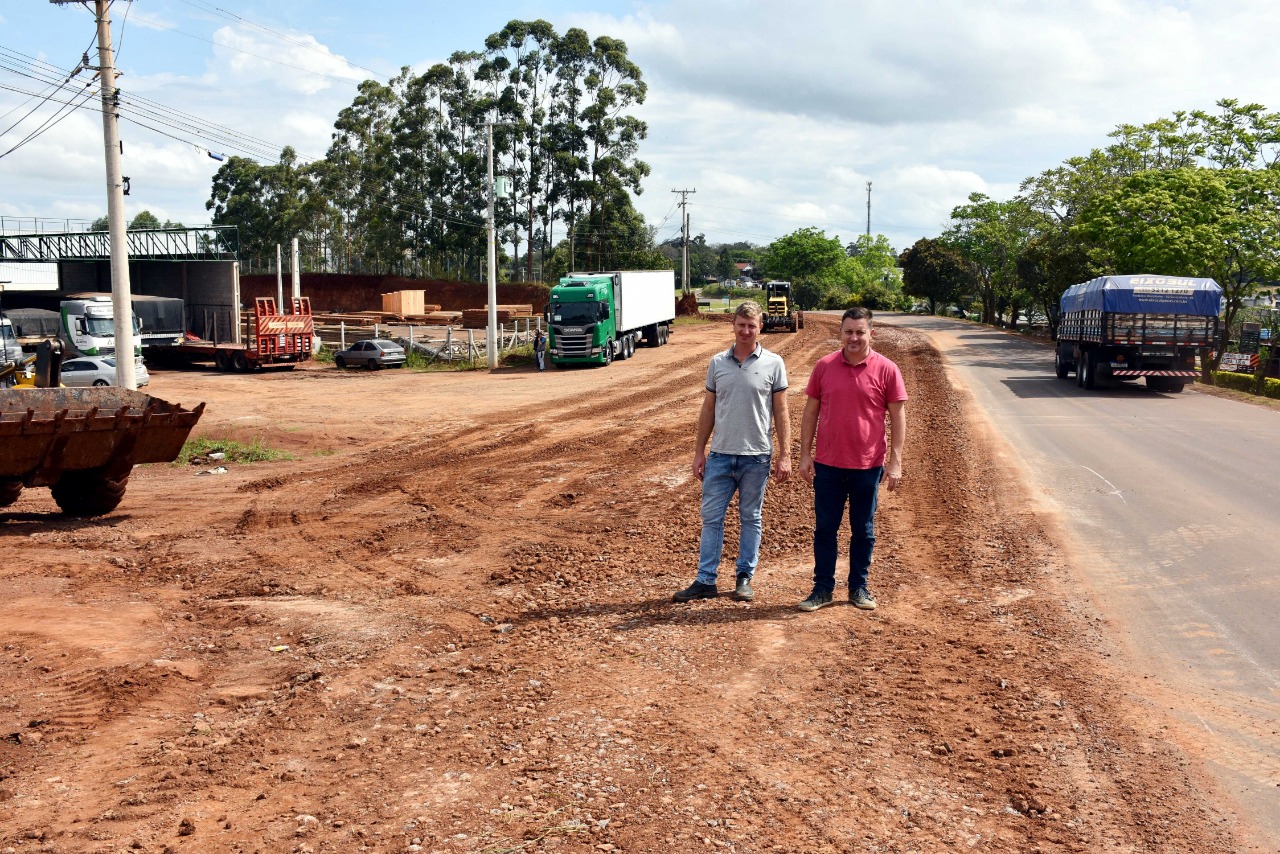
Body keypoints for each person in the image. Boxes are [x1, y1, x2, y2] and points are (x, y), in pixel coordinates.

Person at [674, 301, 791, 603]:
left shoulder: (774, 363)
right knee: (712, 518)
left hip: (757, 456)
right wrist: (699, 451)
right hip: (721, 455)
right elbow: (709, 408)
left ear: (760, 327)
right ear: (734, 325)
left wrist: (785, 454)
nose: (746, 330)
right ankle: (705, 580)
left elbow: (781, 412)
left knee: (751, 517)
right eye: (741, 325)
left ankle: (744, 578)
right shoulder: (717, 363)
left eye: (752, 325)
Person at [796, 307, 906, 612]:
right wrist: (805, 454)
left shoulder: (887, 369)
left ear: (872, 333)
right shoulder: (824, 366)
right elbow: (810, 413)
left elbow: (898, 419)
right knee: (825, 530)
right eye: (848, 331)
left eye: (860, 331)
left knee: (864, 530)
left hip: (868, 466)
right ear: (840, 333)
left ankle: (859, 587)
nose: (854, 337)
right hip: (828, 465)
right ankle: (822, 589)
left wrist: (895, 462)